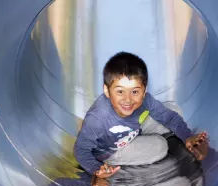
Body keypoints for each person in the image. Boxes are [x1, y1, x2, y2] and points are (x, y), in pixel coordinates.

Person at [73, 51, 208, 179]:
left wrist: (187, 136)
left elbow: (169, 116)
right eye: (120, 92)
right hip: (113, 149)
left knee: (174, 109)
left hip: (134, 128)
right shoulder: (97, 118)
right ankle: (149, 138)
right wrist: (97, 169)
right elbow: (81, 149)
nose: (128, 99)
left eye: (135, 92)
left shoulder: (145, 100)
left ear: (144, 91)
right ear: (107, 91)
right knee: (160, 146)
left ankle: (145, 134)